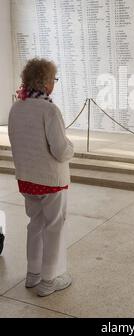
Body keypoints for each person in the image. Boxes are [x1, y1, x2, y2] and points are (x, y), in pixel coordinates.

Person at [8, 57, 74, 297]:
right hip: (50, 181)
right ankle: (49, 279)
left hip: (27, 179)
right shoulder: (49, 109)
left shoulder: (17, 106)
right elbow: (60, 150)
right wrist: (71, 147)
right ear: (46, 83)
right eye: (53, 79)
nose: (53, 84)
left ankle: (32, 274)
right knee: (54, 227)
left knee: (35, 224)